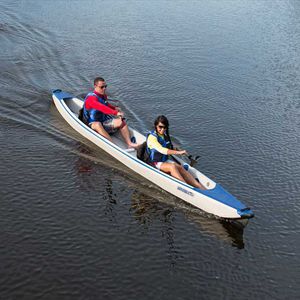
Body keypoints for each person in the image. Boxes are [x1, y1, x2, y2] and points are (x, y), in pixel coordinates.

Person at [146, 115, 206, 189]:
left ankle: (200, 187)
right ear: (156, 126)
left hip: (164, 160)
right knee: (172, 166)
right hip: (154, 162)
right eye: (160, 127)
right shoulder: (152, 137)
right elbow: (162, 150)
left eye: (164, 127)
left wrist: (177, 149)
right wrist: (178, 153)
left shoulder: (164, 135)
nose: (162, 129)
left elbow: (168, 146)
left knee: (180, 167)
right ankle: (187, 188)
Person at [83, 77, 138, 148]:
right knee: (97, 124)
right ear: (95, 86)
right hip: (91, 124)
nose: (104, 89)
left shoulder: (103, 96)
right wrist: (115, 113)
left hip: (103, 121)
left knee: (121, 122)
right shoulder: (91, 98)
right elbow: (100, 107)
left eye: (105, 86)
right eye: (102, 87)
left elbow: (106, 104)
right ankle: (113, 145)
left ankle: (129, 143)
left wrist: (114, 108)